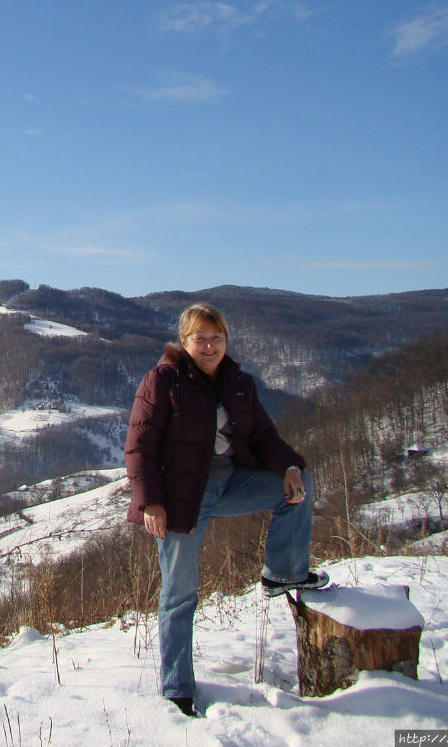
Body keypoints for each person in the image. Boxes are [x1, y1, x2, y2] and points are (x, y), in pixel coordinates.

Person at [124, 303, 327, 717]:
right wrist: (152, 502)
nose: (210, 345)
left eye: (217, 337)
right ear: (184, 342)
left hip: (232, 485)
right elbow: (139, 446)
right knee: (180, 597)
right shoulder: (163, 381)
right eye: (201, 338)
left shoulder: (238, 383)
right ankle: (177, 687)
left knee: (297, 488)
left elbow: (265, 435)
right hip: (182, 501)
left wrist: (290, 466)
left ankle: (283, 573)